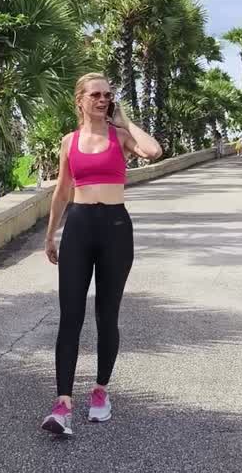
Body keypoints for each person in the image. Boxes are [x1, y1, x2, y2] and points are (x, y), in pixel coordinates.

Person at [40, 73, 162, 436]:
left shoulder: (120, 137)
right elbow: (61, 192)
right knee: (70, 316)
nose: (102, 100)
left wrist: (124, 120)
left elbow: (153, 151)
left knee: (107, 315)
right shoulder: (68, 142)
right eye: (95, 94)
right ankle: (63, 404)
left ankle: (100, 393)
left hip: (116, 228)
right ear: (80, 100)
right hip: (78, 226)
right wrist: (50, 235)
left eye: (108, 95)